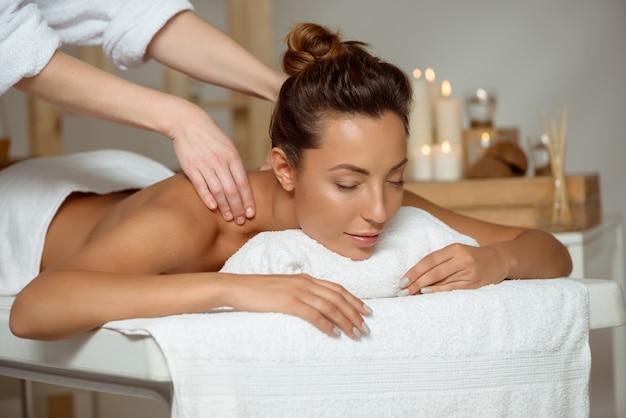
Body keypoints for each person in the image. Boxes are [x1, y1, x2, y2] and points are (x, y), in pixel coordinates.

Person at [5, 22, 572, 342]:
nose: (379, 210)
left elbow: (546, 251)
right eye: (348, 183)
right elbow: (34, 308)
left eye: (395, 178)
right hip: (25, 216)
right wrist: (237, 290)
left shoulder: (367, 195)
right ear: (283, 169)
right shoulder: (194, 220)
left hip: (118, 187)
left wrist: (496, 263)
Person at [0, 0, 286, 224]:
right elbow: (9, 40)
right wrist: (181, 119)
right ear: (283, 167)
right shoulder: (178, 216)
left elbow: (134, 9)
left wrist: (282, 89)